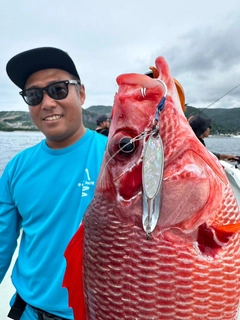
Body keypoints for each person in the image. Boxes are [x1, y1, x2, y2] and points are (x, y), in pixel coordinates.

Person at [0, 47, 107, 320]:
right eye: (34, 95)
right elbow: (1, 244)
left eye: (58, 89)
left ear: (81, 93)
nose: (46, 103)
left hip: (100, 311)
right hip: (29, 311)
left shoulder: (118, 160)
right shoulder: (16, 168)